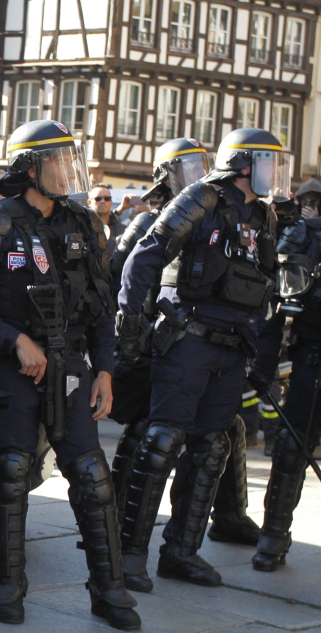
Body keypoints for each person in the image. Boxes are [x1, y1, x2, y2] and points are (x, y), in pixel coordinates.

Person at [0, 119, 140, 630]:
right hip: (14, 370)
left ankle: (109, 592)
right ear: (30, 168)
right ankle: (8, 588)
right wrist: (15, 340)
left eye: (68, 160)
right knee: (11, 472)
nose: (66, 171)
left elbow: (102, 309)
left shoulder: (83, 222)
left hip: (73, 367)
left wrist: (105, 371)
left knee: (92, 475)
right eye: (56, 161)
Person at [116, 128, 287, 589]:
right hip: (187, 340)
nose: (275, 171)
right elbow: (143, 259)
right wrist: (130, 324)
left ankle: (181, 552)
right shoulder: (200, 199)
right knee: (162, 442)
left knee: (212, 447)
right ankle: (128, 555)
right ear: (243, 164)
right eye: (268, 161)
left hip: (231, 348)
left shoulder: (264, 216)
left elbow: (264, 282)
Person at [246, 176, 321, 570]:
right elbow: (275, 300)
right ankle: (273, 536)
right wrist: (264, 360)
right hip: (314, 359)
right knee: (292, 447)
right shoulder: (305, 236)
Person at [87, 184, 123, 261]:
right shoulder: (81, 227)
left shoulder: (123, 230)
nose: (103, 201)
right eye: (98, 198)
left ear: (111, 202)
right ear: (89, 202)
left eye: (107, 198)